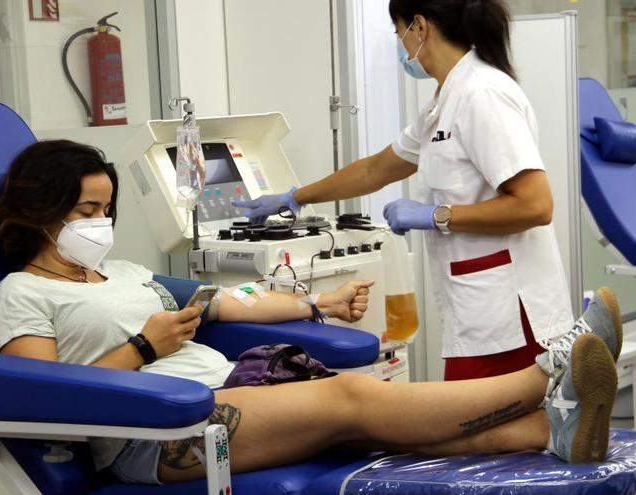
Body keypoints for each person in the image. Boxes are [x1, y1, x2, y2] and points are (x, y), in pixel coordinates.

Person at [0, 140, 623, 485]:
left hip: (222, 395)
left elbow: (229, 302)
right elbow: (47, 407)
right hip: (158, 436)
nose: (102, 224)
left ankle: (551, 432)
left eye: (107, 210)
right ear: (40, 210)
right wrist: (145, 349)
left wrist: (316, 302)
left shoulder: (122, 273)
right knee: (352, 398)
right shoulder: (21, 296)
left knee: (373, 431)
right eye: (87, 211)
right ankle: (548, 376)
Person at [233, 0, 574, 382]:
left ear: (419, 28)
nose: (400, 44)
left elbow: (535, 205)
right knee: (479, 431)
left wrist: (436, 216)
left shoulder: (482, 94)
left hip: (510, 313)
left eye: (399, 33)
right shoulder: (444, 102)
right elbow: (375, 169)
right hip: (483, 310)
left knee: (487, 432)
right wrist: (295, 196)